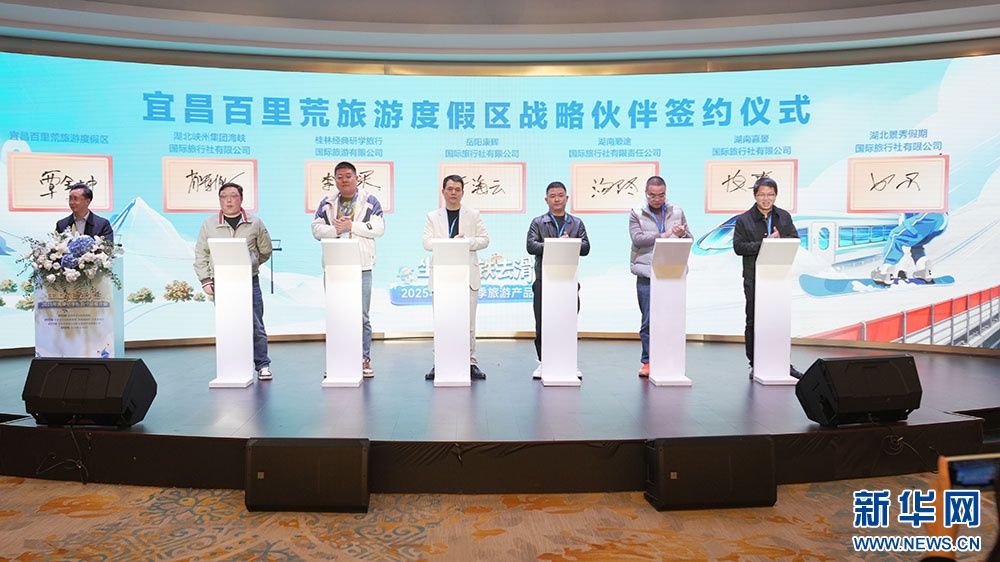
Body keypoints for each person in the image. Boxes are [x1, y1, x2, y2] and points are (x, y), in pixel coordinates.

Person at [193, 182, 274, 381]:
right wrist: (205, 279)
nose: (228, 201)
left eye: (233, 196)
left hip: (249, 281)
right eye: (224, 197)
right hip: (222, 282)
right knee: (228, 324)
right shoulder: (209, 224)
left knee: (256, 324)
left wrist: (251, 263)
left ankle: (262, 365)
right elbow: (201, 254)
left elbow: (265, 250)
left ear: (241, 199)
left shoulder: (254, 222)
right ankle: (232, 365)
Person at [311, 161, 385, 378]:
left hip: (362, 266)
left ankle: (363, 358)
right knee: (336, 315)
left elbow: (379, 228)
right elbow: (316, 229)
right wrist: (336, 229)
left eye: (348, 176)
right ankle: (337, 360)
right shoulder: (327, 202)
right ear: (335, 180)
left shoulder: (370, 201)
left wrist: (351, 226)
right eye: (340, 177)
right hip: (335, 266)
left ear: (356, 178)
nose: (344, 180)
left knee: (362, 316)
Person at [422, 175, 490, 381]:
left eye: (457, 189)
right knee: (442, 321)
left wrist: (465, 242)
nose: (453, 193)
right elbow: (426, 242)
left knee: (469, 322)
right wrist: (449, 242)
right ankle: (439, 362)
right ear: (443, 191)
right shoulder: (433, 216)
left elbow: (485, 240)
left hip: (467, 276)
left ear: (462, 192)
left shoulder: (473, 214)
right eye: (449, 189)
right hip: (443, 276)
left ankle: (471, 362)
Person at [732, 176, 800, 380]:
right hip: (754, 277)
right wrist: (765, 243)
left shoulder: (784, 217)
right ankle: (756, 363)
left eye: (770, 194)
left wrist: (780, 241)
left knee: (779, 320)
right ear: (755, 196)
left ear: (776, 195)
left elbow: (795, 239)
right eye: (762, 194)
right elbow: (738, 247)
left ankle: (783, 363)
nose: (766, 199)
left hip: (779, 277)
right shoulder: (744, 220)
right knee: (754, 320)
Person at [526, 181, 591, 379]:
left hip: (568, 280)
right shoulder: (538, 222)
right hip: (544, 280)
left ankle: (569, 361)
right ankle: (543, 362)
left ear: (567, 198)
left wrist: (570, 243)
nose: (557, 199)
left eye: (560, 195)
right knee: (542, 322)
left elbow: (586, 248)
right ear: (546, 200)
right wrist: (555, 244)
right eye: (553, 196)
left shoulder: (576, 223)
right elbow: (531, 246)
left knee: (568, 321)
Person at [629, 176, 692, 378]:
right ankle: (647, 361)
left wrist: (681, 234)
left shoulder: (677, 211)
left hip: (672, 273)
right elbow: (637, 239)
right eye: (653, 195)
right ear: (646, 194)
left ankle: (670, 360)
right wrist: (663, 235)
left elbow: (689, 238)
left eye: (661, 195)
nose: (657, 199)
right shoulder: (637, 212)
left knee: (672, 319)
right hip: (647, 272)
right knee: (648, 321)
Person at [871, 212, 948, 286]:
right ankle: (924, 269)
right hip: (941, 220)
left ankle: (885, 272)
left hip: (928, 216)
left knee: (896, 236)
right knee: (915, 242)